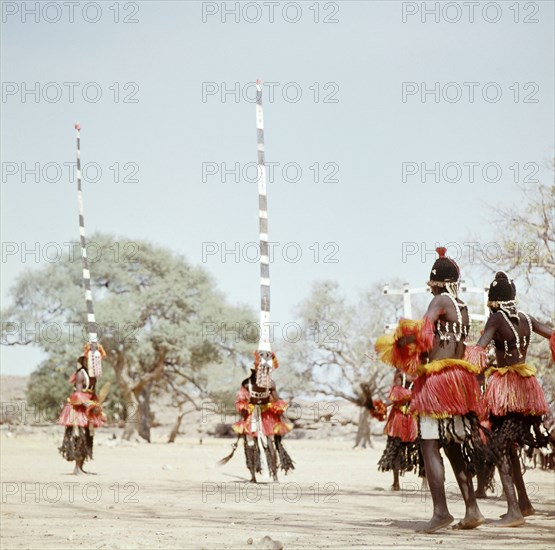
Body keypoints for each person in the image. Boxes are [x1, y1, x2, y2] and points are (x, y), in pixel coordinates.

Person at [376, 246, 487, 533]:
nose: (429, 289)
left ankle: (440, 512)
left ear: (437, 282)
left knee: (428, 444)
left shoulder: (439, 301)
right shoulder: (461, 306)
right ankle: (472, 508)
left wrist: (400, 342)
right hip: (459, 382)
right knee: (452, 446)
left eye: (431, 284)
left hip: (437, 386)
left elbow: (424, 334)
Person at [466, 271, 555, 526]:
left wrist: (458, 360)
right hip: (527, 389)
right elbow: (552, 335)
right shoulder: (527, 319)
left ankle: (514, 510)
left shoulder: (496, 318)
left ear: (494, 300)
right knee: (510, 446)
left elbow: (478, 351)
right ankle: (524, 504)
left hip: (505, 392)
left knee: (499, 447)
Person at [231, 351, 294, 482]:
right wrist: (243, 421)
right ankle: (253, 475)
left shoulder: (270, 383)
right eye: (259, 370)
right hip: (252, 416)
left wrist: (280, 414)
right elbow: (242, 402)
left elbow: (276, 400)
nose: (262, 373)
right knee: (249, 444)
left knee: (270, 443)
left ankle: (274, 474)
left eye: (264, 370)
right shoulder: (246, 384)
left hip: (267, 416)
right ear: (254, 371)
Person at [58, 352, 106, 474]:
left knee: (88, 437)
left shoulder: (93, 377)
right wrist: (88, 405)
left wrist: (96, 407)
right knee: (79, 436)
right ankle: (77, 468)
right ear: (84, 361)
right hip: (78, 409)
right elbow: (77, 395)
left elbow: (92, 394)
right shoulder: (80, 374)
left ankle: (81, 466)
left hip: (88, 408)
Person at [377, 369, 423, 491]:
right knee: (400, 448)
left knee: (419, 448)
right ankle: (398, 483)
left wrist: (383, 405)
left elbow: (394, 397)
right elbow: (395, 397)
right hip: (403, 417)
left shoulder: (417, 372)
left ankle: (397, 483)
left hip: (409, 416)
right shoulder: (404, 373)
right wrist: (382, 406)